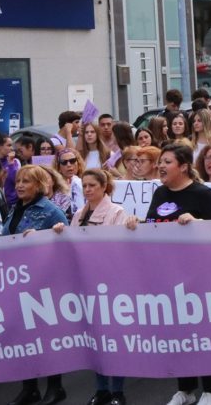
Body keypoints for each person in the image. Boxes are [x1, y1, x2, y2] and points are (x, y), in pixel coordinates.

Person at [125, 145, 211, 405]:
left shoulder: (203, 195)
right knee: (178, 334)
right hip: (168, 276)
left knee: (203, 334)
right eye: (160, 161)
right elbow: (152, 226)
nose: (160, 166)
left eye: (166, 161)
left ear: (183, 166)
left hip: (200, 278)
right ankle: (186, 390)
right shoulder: (160, 193)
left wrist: (198, 223)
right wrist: (137, 223)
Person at [51, 169, 128, 405]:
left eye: (92, 185)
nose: (87, 190)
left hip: (109, 284)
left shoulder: (117, 212)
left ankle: (117, 392)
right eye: (84, 186)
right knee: (94, 339)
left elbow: (120, 248)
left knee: (113, 339)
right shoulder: (79, 214)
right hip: (86, 283)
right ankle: (101, 389)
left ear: (104, 187)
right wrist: (60, 233)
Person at [2, 166, 69, 405]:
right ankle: (29, 388)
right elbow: (6, 239)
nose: (19, 185)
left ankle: (55, 387)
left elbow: (66, 246)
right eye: (18, 181)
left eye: (26, 181)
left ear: (39, 185)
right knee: (23, 337)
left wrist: (46, 237)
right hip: (17, 282)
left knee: (46, 336)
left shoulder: (51, 212)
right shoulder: (15, 209)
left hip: (43, 284)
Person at [52, 149, 86, 216]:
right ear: (58, 167)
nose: (69, 165)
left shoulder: (86, 183)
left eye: (72, 161)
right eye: (64, 162)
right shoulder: (53, 187)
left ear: (78, 164)